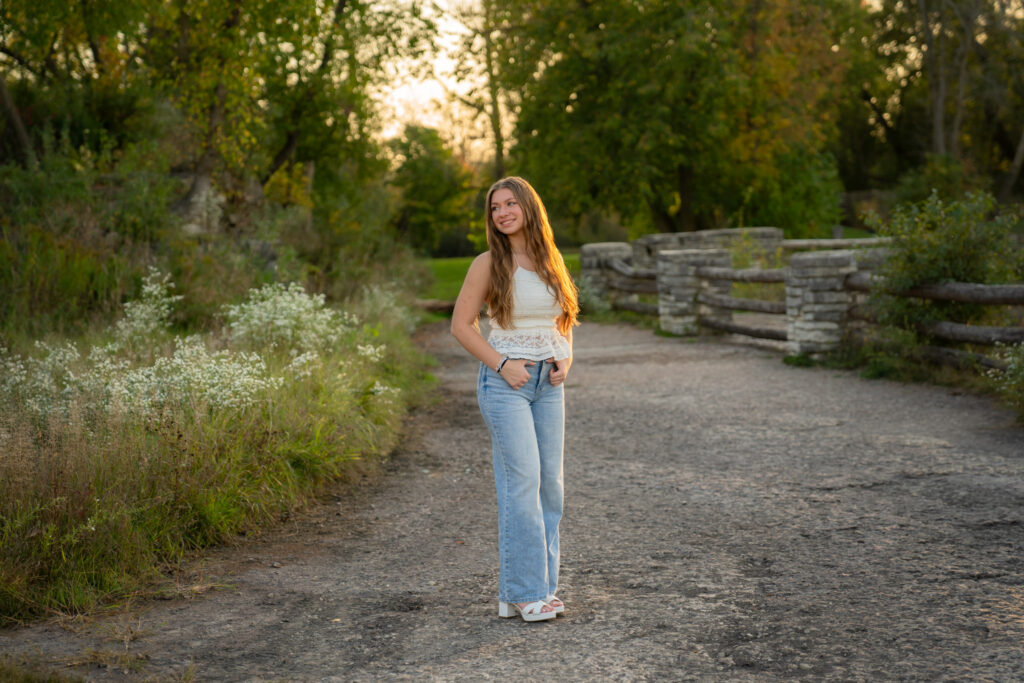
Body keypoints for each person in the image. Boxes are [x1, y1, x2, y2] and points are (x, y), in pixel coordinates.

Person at [451, 176, 580, 623]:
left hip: (548, 384)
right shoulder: (488, 263)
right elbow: (461, 326)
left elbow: (563, 320)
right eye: (494, 207)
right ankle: (525, 591)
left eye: (510, 204)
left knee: (551, 487)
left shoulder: (551, 260)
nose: (502, 212)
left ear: (528, 206)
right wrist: (503, 363)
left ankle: (535, 589)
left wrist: (567, 359)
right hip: (506, 385)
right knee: (522, 484)